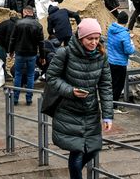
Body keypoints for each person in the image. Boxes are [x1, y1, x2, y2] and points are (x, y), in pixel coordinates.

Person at [46, 18, 113, 179]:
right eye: (90, 39)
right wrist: (71, 91)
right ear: (80, 38)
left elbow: (105, 85)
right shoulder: (65, 53)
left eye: (97, 38)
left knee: (94, 148)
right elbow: (51, 77)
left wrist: (108, 115)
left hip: (90, 111)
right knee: (77, 153)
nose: (94, 42)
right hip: (69, 110)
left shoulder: (101, 56)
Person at [8, 6, 45, 106]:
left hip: (19, 53)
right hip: (32, 54)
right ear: (32, 13)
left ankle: (15, 98)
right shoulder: (38, 25)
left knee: (18, 75)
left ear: (25, 12)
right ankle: (29, 99)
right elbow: (41, 43)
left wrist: (10, 51)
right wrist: (42, 57)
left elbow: (13, 39)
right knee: (30, 75)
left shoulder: (18, 23)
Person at [106, 11, 135, 107]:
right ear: (126, 22)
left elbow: (116, 39)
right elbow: (129, 51)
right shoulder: (124, 34)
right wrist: (130, 41)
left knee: (111, 84)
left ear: (117, 19)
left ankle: (108, 104)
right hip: (120, 63)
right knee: (118, 86)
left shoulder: (111, 28)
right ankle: (113, 107)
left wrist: (127, 37)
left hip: (110, 61)